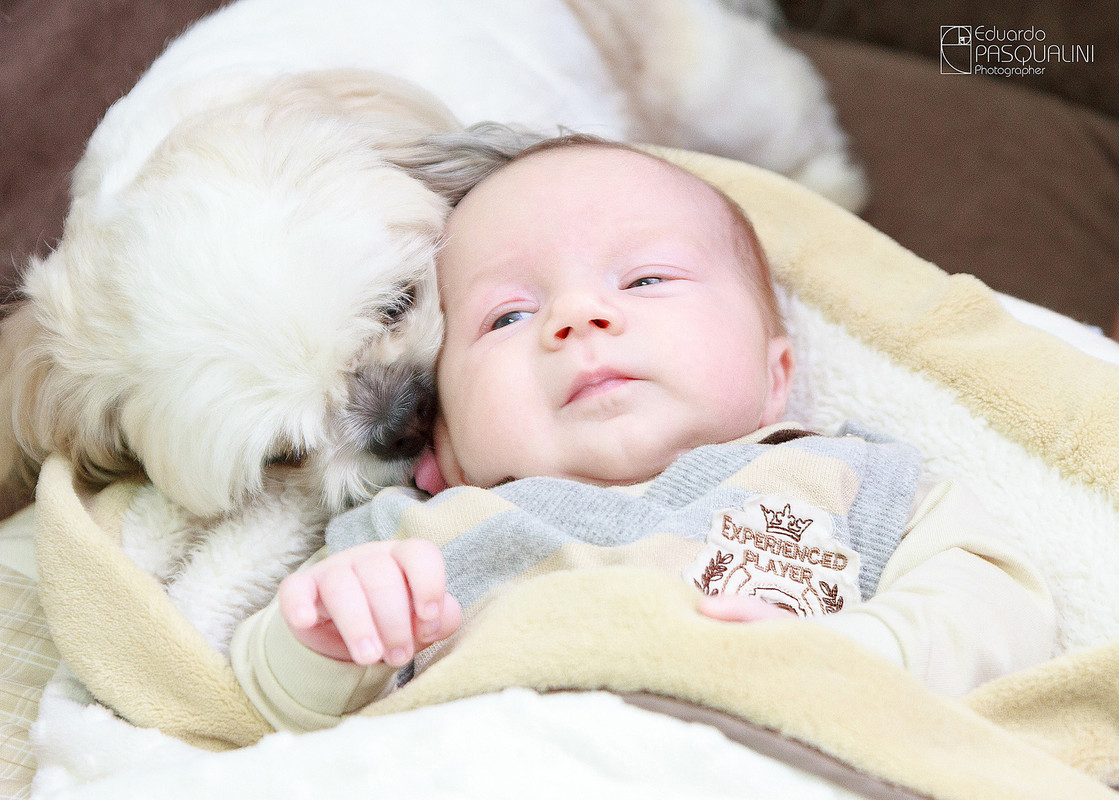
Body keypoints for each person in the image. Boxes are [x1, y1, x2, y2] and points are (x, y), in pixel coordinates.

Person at [232, 136, 1056, 731]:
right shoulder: (411, 544)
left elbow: (1003, 614)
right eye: (507, 315)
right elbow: (271, 707)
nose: (577, 317)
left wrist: (860, 653)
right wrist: (325, 642)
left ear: (777, 377)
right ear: (437, 450)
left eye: (646, 279)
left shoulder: (850, 480)